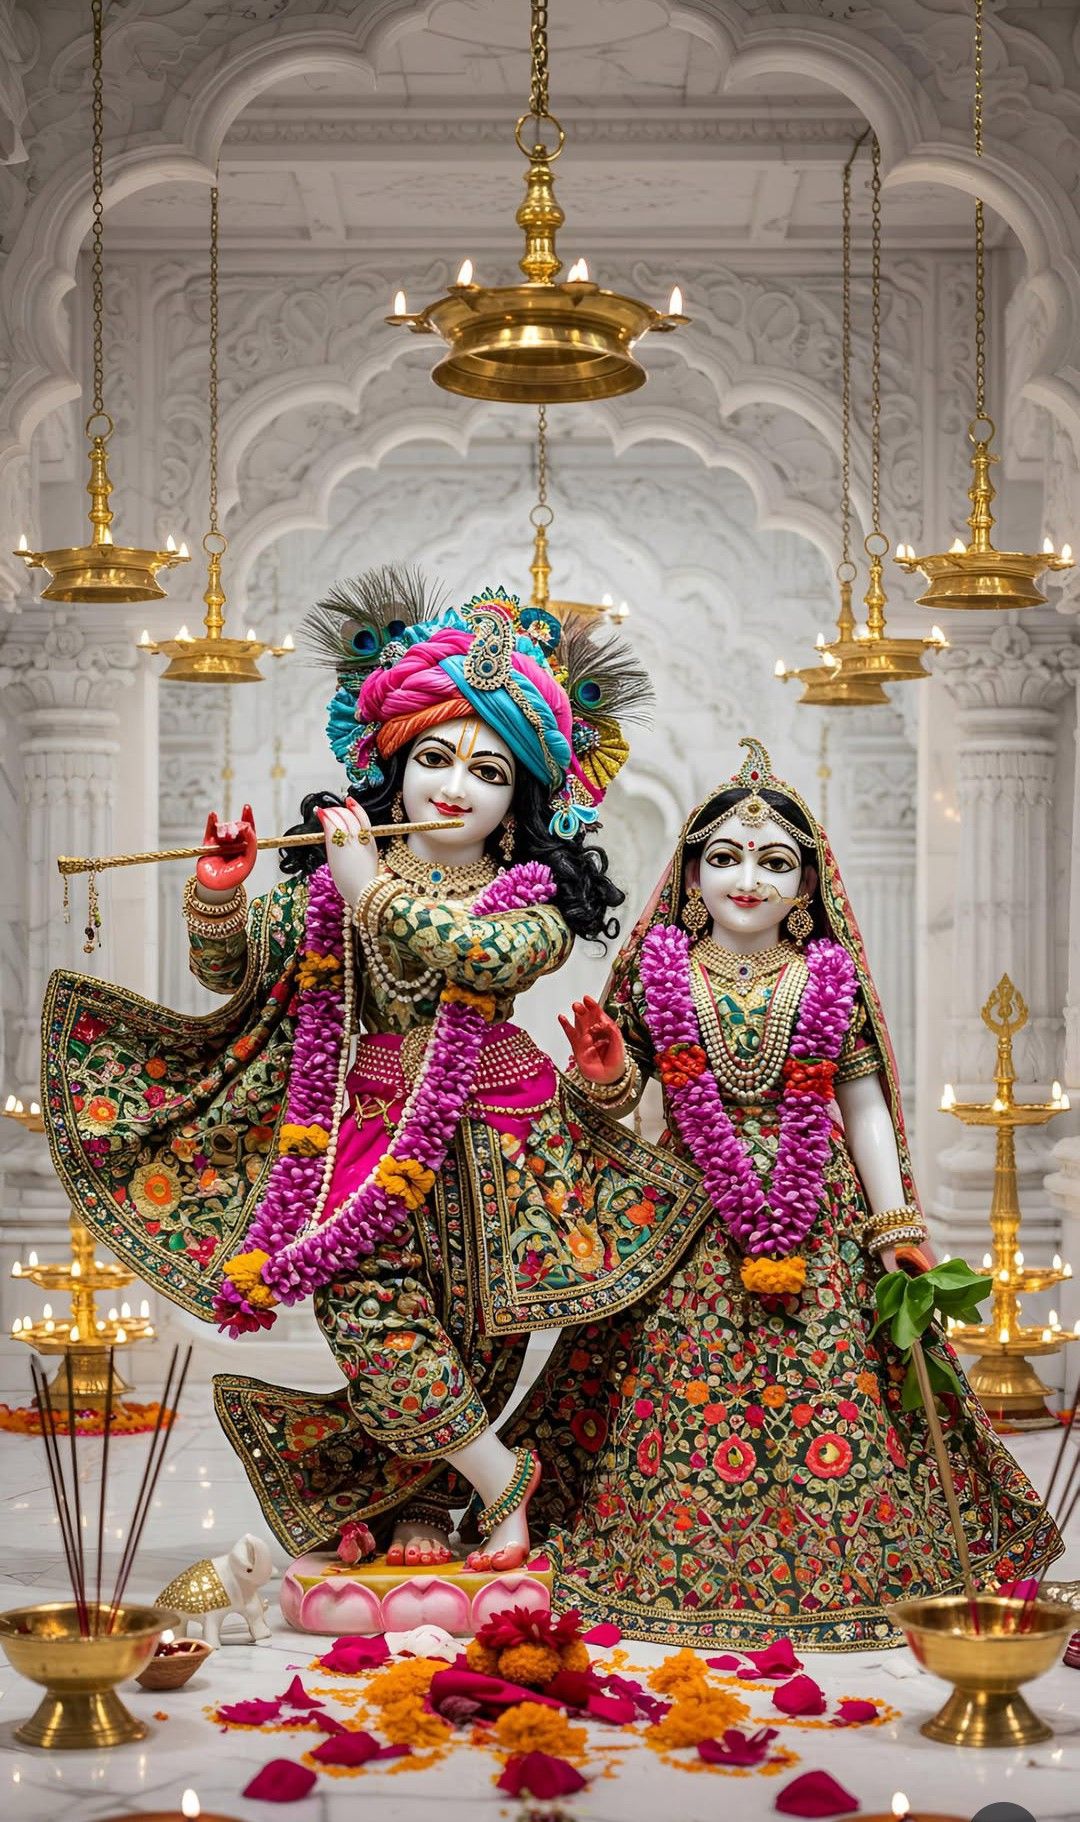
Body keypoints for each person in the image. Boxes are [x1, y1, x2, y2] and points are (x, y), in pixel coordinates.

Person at [42, 572, 710, 1571]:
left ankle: (430, 1511)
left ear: (518, 804)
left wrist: (371, 888)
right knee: (371, 1319)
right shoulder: (333, 889)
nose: (453, 785)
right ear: (388, 771)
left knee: (473, 1339)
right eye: (433, 756)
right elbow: (233, 967)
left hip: (496, 1139)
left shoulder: (525, 897)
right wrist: (220, 894)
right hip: (357, 1135)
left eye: (487, 770)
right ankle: (503, 1479)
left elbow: (480, 959)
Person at [508, 737, 1061, 1649]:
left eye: (774, 861)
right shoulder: (660, 974)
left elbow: (863, 1104)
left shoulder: (825, 980)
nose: (748, 879)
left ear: (807, 887)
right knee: (669, 1390)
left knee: (842, 1385)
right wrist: (604, 1072)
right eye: (724, 858)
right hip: (690, 1212)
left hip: (821, 1213)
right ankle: (671, 1556)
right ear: (691, 877)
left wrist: (893, 1224)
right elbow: (611, 1101)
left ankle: (850, 1556)